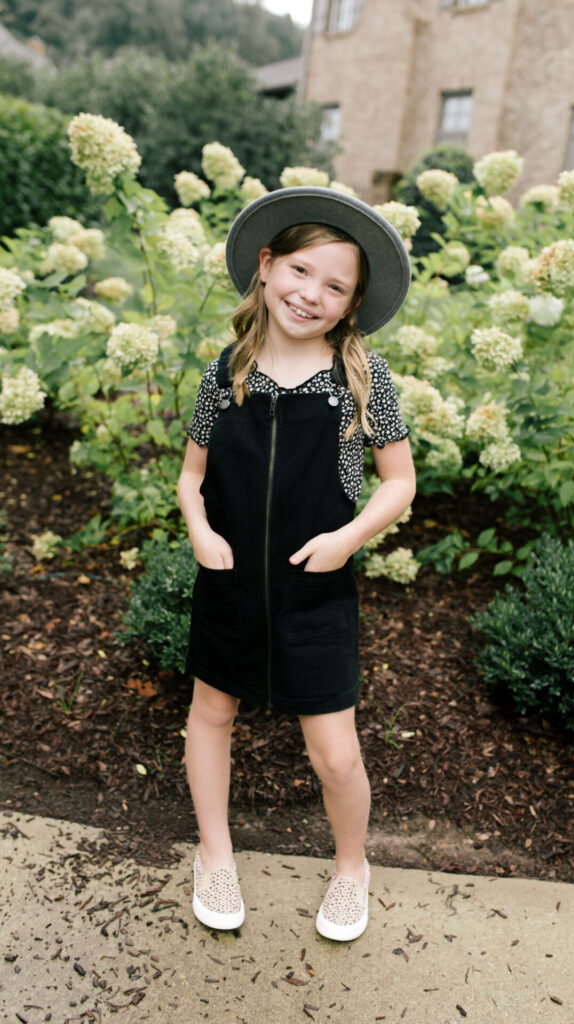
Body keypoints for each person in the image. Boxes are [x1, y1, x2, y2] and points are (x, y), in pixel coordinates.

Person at [177, 186, 415, 942]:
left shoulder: (360, 380)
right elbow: (190, 475)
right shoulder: (225, 373)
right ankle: (215, 854)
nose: (311, 294)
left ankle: (352, 869)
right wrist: (198, 529)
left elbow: (400, 483)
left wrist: (348, 538)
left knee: (335, 754)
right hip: (229, 585)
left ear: (349, 306)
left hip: (317, 594)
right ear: (267, 265)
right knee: (211, 715)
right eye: (301, 271)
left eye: (335, 286)